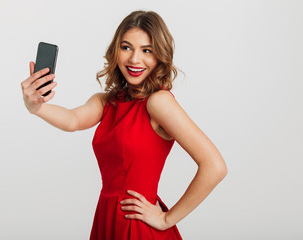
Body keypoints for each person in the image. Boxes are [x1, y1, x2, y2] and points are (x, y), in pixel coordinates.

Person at [21, 10, 227, 240]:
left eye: (147, 50)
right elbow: (72, 120)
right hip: (107, 219)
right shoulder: (106, 101)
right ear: (115, 50)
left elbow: (215, 166)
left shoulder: (158, 102)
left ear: (160, 56)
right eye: (126, 47)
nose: (134, 59)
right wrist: (35, 106)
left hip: (137, 226)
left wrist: (167, 219)